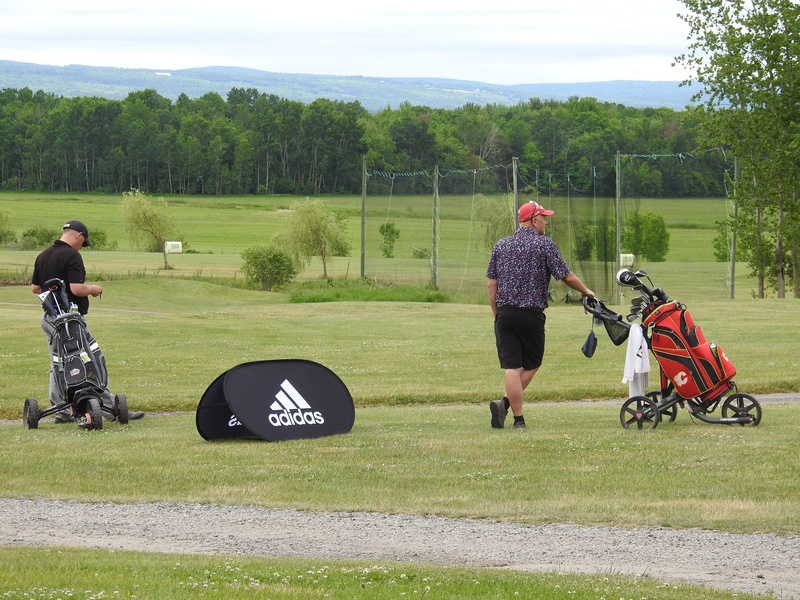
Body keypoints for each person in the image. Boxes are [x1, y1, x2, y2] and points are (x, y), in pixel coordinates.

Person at [486, 201, 594, 430]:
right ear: (534, 220)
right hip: (531, 316)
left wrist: (497, 313)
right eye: (544, 218)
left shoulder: (501, 245)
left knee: (511, 367)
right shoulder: (544, 244)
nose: (546, 222)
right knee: (532, 364)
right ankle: (506, 405)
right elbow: (566, 276)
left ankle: (517, 419)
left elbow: (491, 284)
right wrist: (586, 291)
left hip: (505, 314)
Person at [30, 220, 144, 422]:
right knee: (90, 358)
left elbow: (36, 288)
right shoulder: (72, 255)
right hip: (70, 320)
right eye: (83, 242)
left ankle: (61, 412)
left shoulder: (43, 255)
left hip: (49, 319)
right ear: (79, 235)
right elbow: (76, 289)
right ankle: (111, 409)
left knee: (58, 362)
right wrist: (92, 289)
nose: (82, 247)